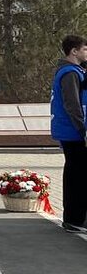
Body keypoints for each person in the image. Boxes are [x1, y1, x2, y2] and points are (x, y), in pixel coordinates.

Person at [50, 35, 87, 233]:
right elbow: (73, 105)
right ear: (74, 51)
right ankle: (75, 219)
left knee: (77, 174)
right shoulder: (70, 73)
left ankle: (77, 218)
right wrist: (83, 130)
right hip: (74, 133)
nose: (86, 53)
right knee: (77, 176)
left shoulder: (76, 71)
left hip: (72, 132)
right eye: (85, 49)